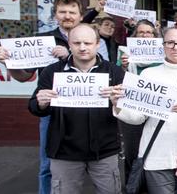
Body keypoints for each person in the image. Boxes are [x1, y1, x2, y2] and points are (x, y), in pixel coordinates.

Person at [0, 0, 91, 194]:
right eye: (62, 12)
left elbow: (103, 70)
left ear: (81, 16)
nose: (67, 16)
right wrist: (9, 64)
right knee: (48, 165)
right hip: (51, 111)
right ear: (55, 15)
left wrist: (71, 54)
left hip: (86, 109)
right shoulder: (41, 40)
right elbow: (23, 77)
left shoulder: (91, 38)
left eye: (72, 12)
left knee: (93, 165)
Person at [111, 27, 177, 194]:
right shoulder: (148, 74)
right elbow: (138, 117)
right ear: (163, 46)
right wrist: (118, 104)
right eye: (170, 42)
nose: (175, 47)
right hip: (157, 153)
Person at [28, 24, 124, 194]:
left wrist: (118, 102)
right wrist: (41, 102)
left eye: (87, 43)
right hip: (64, 151)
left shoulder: (114, 72)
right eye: (76, 43)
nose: (82, 47)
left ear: (97, 43)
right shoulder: (52, 72)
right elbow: (34, 107)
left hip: (104, 150)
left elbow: (128, 112)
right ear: (69, 44)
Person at [116, 19, 162, 183]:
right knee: (132, 151)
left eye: (149, 32)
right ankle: (131, 185)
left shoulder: (163, 54)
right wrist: (123, 67)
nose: (145, 35)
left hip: (155, 108)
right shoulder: (125, 52)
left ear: (154, 35)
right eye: (141, 32)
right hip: (132, 107)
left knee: (153, 151)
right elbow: (118, 80)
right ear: (135, 35)